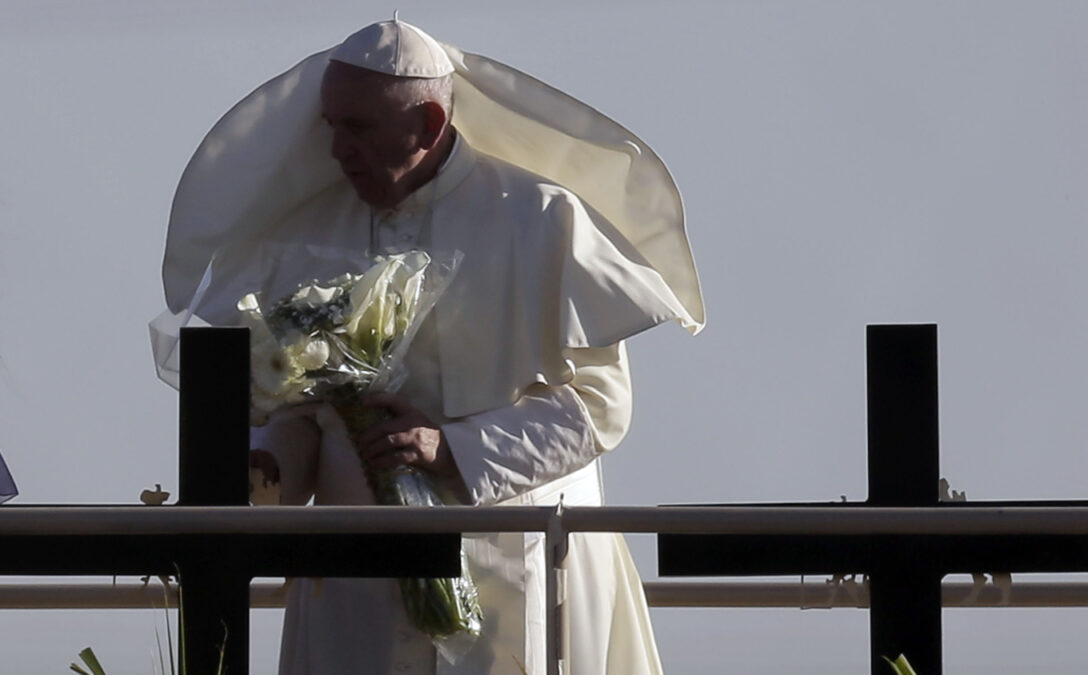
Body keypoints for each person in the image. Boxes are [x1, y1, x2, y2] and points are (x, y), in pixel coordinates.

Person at [152, 17, 704, 675]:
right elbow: (297, 414)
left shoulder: (540, 218)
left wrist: (453, 450)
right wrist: (267, 471)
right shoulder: (303, 233)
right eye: (331, 126)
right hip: (355, 581)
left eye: (358, 129)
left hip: (515, 550)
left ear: (430, 124)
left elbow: (600, 407)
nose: (337, 150)